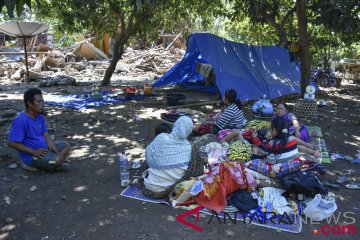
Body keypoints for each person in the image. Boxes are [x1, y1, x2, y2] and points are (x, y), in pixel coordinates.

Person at [8, 88, 71, 172]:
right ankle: (31, 164)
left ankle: (56, 161)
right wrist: (33, 151)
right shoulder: (20, 120)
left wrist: (57, 151)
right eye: (39, 102)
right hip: (33, 156)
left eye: (42, 101)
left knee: (67, 145)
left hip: (44, 149)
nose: (42, 104)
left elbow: (46, 136)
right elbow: (12, 143)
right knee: (56, 161)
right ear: (29, 103)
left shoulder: (39, 117)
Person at [141, 116, 204, 198]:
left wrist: (160, 164)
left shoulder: (161, 137)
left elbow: (148, 158)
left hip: (150, 184)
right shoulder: (191, 147)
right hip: (171, 189)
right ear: (189, 131)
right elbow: (198, 171)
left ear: (175, 125)